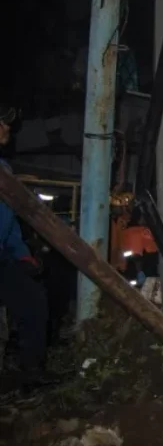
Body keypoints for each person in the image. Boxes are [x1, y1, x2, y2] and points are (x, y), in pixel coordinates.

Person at [0, 104, 56, 388]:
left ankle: (31, 370)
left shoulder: (4, 170)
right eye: (1, 123)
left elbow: (7, 222)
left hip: (4, 258)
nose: (7, 128)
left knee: (33, 300)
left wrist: (22, 255)